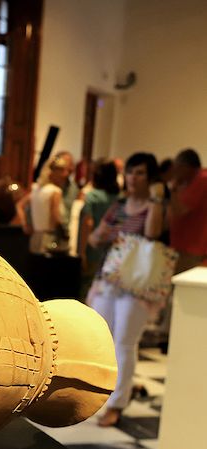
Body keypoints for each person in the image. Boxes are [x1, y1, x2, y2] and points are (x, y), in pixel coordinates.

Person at [87, 153, 165, 427]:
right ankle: (107, 390)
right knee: (101, 337)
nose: (133, 178)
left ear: (151, 178)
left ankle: (117, 402)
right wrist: (104, 234)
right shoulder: (118, 205)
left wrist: (156, 198)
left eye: (140, 173)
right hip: (110, 279)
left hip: (137, 285)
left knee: (124, 343)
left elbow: (153, 233)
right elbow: (95, 237)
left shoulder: (154, 206)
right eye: (131, 172)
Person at [78, 158, 121, 295]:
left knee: (87, 289)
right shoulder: (120, 198)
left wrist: (81, 252)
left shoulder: (92, 196)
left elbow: (87, 223)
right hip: (114, 253)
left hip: (93, 251)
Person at [168, 148, 207, 273]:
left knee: (180, 288)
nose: (175, 172)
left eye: (177, 168)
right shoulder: (190, 181)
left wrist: (173, 189)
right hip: (184, 246)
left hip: (192, 249)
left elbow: (180, 211)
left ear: (185, 167)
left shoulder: (201, 179)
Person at [24, 156, 68, 254]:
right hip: (49, 239)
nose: (65, 175)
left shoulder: (36, 189)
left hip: (35, 237)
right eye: (62, 171)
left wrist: (26, 224)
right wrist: (63, 234)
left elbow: (20, 205)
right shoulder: (55, 191)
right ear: (54, 172)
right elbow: (55, 216)